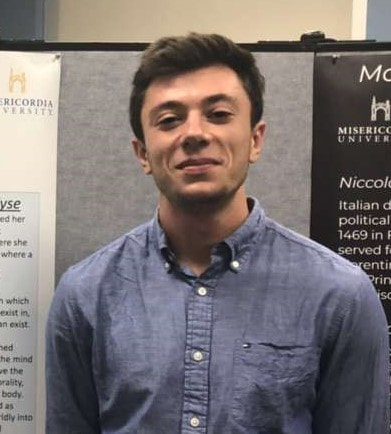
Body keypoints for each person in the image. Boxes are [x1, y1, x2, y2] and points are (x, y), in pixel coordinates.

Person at [46, 33, 389, 433]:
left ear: (255, 140)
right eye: (169, 119)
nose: (194, 133)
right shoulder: (86, 296)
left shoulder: (340, 296)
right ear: (142, 153)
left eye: (219, 114)